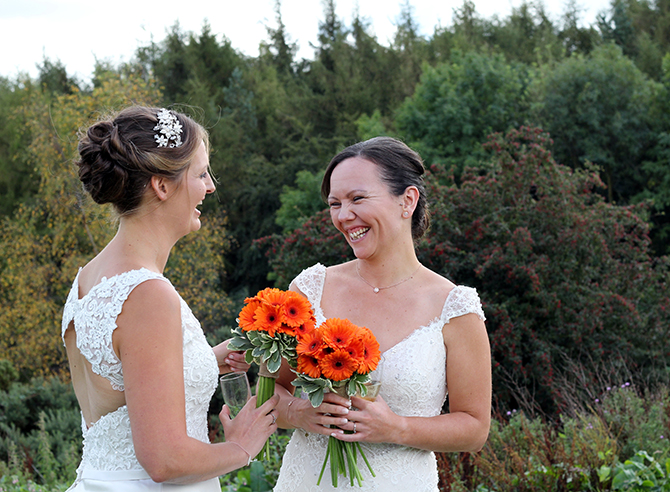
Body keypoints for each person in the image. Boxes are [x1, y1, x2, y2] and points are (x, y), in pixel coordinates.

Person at [61, 106, 278, 491]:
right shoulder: (147, 294)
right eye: (200, 173)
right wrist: (242, 447)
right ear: (161, 185)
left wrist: (208, 359)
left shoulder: (89, 278)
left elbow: (120, 392)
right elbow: (165, 460)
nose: (210, 186)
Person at [272, 137, 492, 491]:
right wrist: (301, 413)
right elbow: (269, 392)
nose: (344, 216)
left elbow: (474, 428)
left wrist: (397, 428)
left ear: (407, 200)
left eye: (357, 199)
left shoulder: (455, 308)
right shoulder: (310, 289)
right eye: (335, 204)